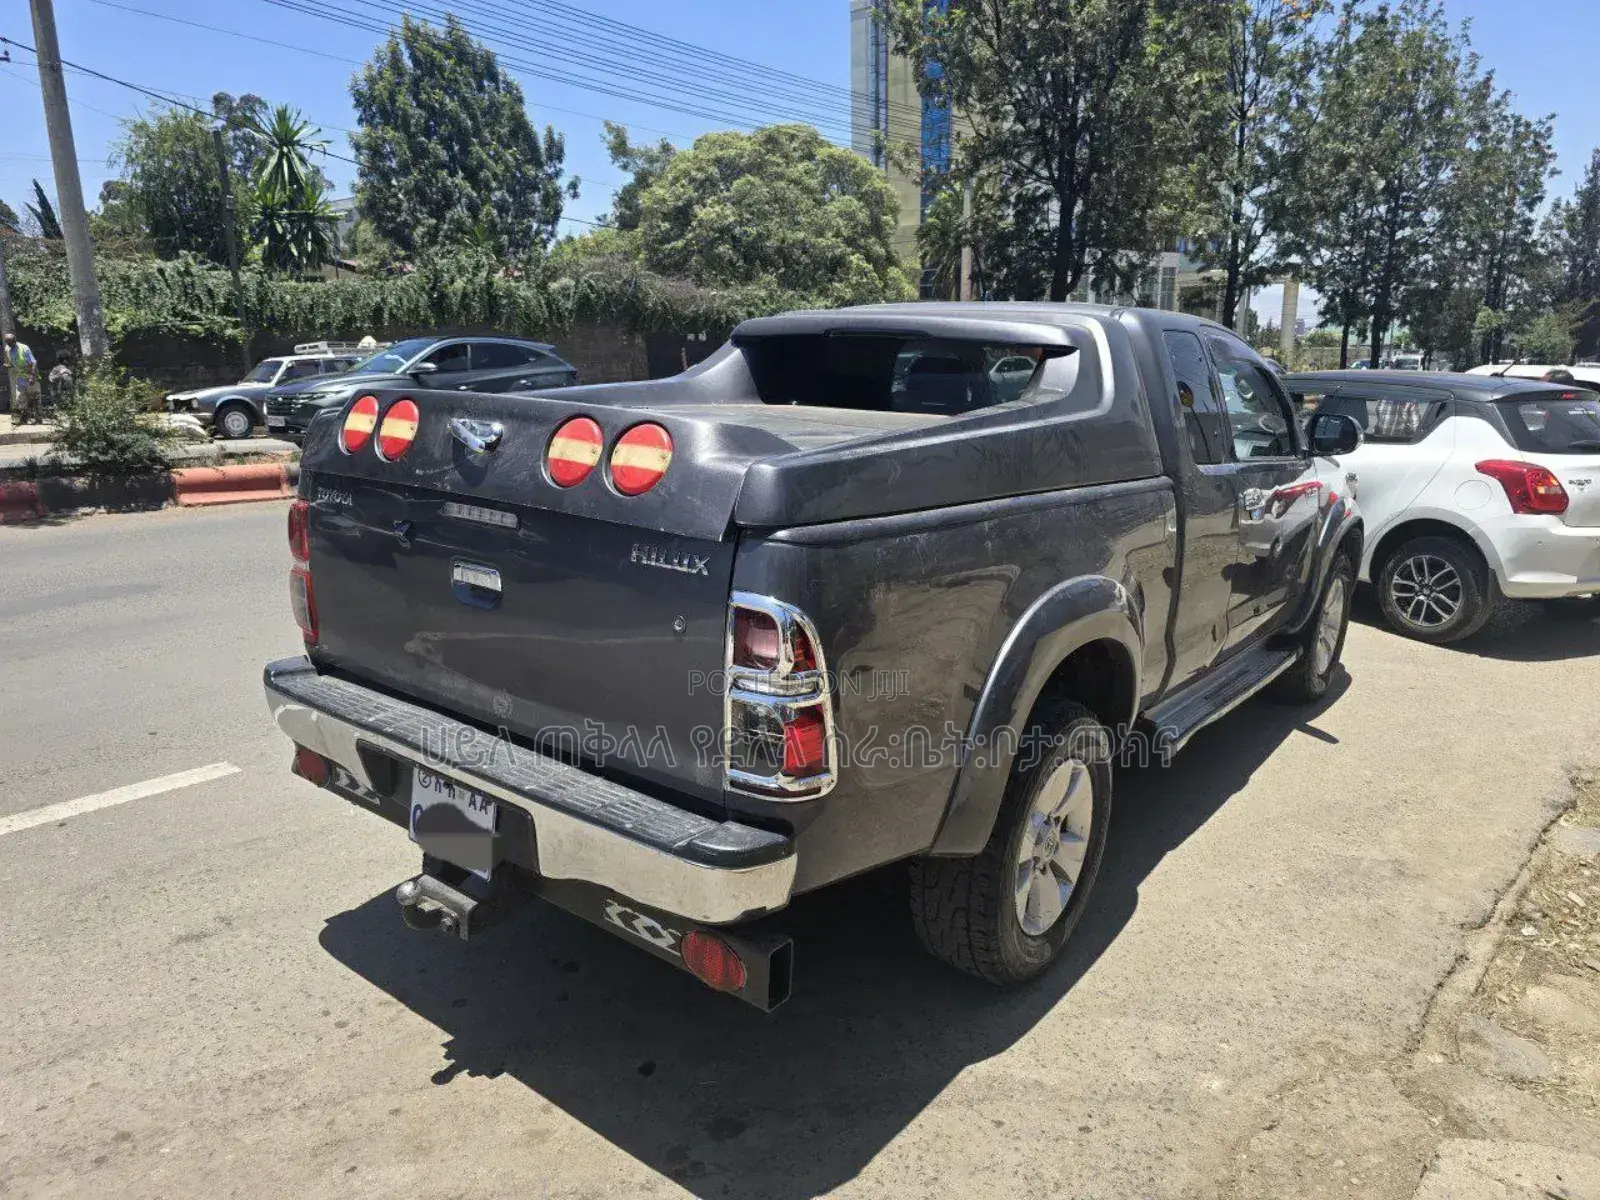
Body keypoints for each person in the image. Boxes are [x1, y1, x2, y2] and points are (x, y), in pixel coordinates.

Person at [3, 332, 40, 426]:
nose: (10, 344)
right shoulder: (7, 348)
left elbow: (33, 362)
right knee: (20, 398)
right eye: (8, 343)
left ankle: (38, 419)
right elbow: (11, 362)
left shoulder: (24, 348)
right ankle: (23, 418)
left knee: (34, 399)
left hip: (30, 377)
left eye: (11, 342)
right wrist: (8, 365)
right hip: (19, 378)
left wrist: (32, 377)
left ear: (15, 340)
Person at [46, 351, 74, 417]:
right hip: (63, 394)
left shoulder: (55, 369)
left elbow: (50, 379)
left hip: (56, 394)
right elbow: (68, 382)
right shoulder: (66, 370)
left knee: (59, 411)